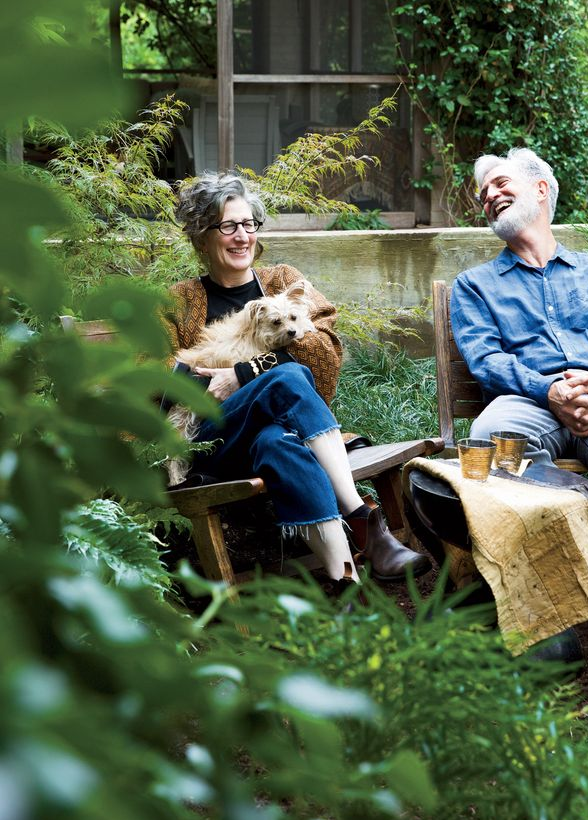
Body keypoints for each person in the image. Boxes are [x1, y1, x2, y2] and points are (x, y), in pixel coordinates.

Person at [450, 147, 588, 682]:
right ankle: (546, 620)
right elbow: (486, 361)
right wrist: (549, 390)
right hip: (526, 401)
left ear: (541, 189)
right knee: (491, 436)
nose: (489, 197)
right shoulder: (475, 285)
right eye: (483, 195)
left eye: (500, 184)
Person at [166, 171, 430, 589]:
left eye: (249, 224)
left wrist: (243, 372)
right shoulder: (178, 301)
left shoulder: (283, 281)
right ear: (202, 237)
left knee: (277, 441)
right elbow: (161, 378)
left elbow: (324, 352)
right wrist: (227, 380)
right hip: (211, 437)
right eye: (227, 226)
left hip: (277, 429)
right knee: (286, 376)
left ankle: (346, 583)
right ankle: (362, 517)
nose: (241, 236)